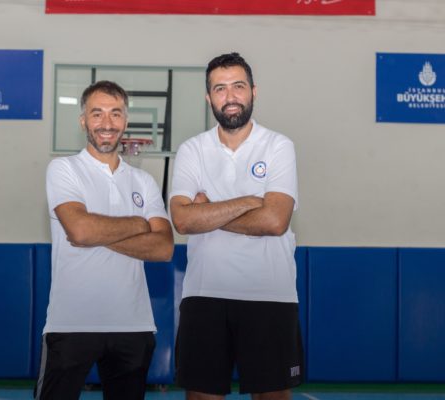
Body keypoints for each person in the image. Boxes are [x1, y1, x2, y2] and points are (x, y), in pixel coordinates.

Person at [170, 53, 303, 400]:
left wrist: (208, 211)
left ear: (253, 92)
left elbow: (275, 220)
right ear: (208, 97)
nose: (230, 96)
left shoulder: (278, 146)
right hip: (204, 294)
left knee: (272, 396)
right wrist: (249, 201)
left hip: (269, 294)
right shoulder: (192, 150)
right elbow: (183, 219)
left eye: (238, 86)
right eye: (220, 88)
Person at [36, 80, 174, 400]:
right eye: (97, 113)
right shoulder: (64, 169)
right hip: (71, 323)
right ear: (83, 120)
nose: (106, 123)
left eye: (115, 113)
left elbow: (164, 248)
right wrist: (138, 225)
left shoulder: (144, 180)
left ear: (125, 121)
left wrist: (96, 234)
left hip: (133, 325)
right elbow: (80, 230)